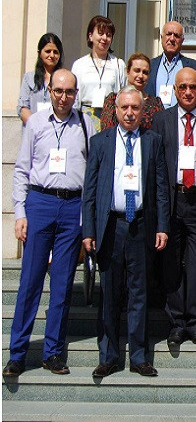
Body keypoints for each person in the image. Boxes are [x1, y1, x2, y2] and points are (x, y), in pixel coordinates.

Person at [4, 69, 96, 378]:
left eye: (69, 91)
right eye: (58, 91)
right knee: (30, 283)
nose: (64, 97)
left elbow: (92, 177)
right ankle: (17, 353)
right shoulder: (37, 123)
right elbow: (21, 170)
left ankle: (53, 352)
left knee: (62, 286)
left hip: (72, 207)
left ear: (76, 92)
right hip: (40, 203)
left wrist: (86, 220)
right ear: (49, 90)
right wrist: (20, 212)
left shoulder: (86, 124)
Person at [82, 86, 170, 378]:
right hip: (111, 226)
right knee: (109, 294)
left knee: (139, 294)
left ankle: (139, 356)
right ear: (116, 110)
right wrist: (89, 230)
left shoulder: (153, 141)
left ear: (143, 111)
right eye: (125, 108)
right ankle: (108, 356)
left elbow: (160, 187)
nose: (130, 113)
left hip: (141, 226)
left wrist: (162, 226)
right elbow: (90, 192)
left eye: (135, 108)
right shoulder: (100, 142)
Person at [151, 68, 196, 347]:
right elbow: (156, 165)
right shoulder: (161, 120)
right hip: (173, 199)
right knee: (171, 262)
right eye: (183, 87)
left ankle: (194, 321)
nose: (188, 92)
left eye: (193, 87)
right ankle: (176, 322)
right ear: (176, 90)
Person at [72, 15, 127, 131]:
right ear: (90, 36)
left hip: (110, 118)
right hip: (85, 117)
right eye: (101, 33)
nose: (104, 38)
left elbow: (123, 93)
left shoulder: (118, 64)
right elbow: (75, 98)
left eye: (108, 35)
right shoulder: (79, 65)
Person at [145, 21, 196, 108]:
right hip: (154, 119)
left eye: (176, 35)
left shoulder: (194, 66)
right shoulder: (150, 65)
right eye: (168, 34)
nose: (172, 39)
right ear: (161, 37)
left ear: (182, 40)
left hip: (182, 119)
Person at [99, 53, 164, 130]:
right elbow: (107, 132)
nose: (141, 76)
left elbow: (161, 131)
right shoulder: (113, 100)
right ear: (128, 71)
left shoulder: (156, 104)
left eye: (145, 72)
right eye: (137, 71)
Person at [17, 33, 63, 124]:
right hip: (34, 131)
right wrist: (37, 126)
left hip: (57, 131)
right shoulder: (29, 79)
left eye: (55, 52)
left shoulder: (64, 80)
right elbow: (22, 108)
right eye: (48, 51)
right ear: (39, 53)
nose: (52, 55)